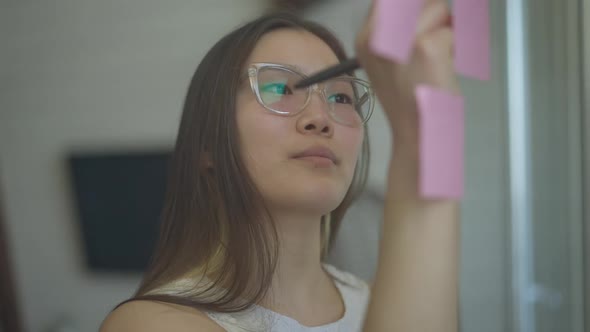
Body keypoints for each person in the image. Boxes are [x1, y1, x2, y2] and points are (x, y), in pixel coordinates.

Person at [100, 0, 460, 331]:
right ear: (208, 144)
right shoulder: (152, 323)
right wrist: (421, 139)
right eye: (278, 90)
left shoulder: (378, 303)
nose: (321, 118)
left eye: (340, 96)